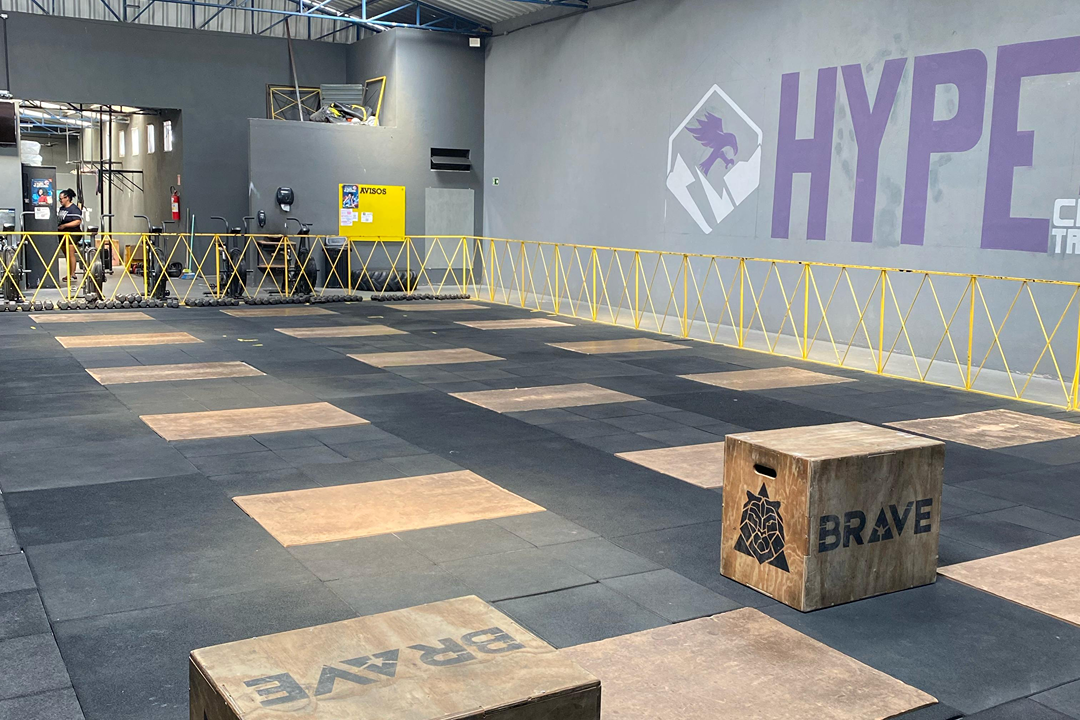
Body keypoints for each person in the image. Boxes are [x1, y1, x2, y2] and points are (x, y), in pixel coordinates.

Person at [57, 189, 84, 284]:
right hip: (62, 233)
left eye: (61, 199)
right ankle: (70, 272)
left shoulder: (74, 209)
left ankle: (72, 274)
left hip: (72, 233)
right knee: (66, 254)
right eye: (59, 199)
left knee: (70, 253)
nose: (60, 201)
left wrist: (65, 225)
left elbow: (78, 221)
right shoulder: (62, 208)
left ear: (67, 198)